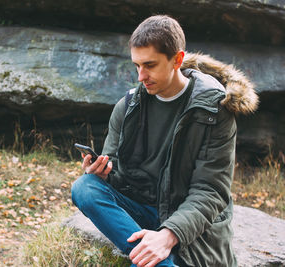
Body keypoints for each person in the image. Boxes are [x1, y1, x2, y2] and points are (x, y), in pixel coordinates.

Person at [71, 15, 258, 267]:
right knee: (85, 188)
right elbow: (118, 173)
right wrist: (103, 173)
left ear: (177, 60)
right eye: (136, 65)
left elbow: (210, 192)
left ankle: (159, 255)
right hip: (144, 209)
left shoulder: (215, 111)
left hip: (188, 221)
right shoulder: (128, 106)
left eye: (149, 65)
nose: (140, 76)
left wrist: (168, 236)